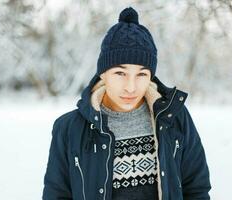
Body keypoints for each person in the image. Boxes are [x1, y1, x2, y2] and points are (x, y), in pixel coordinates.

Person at [42, 7, 211, 200]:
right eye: (120, 73)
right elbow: (56, 195)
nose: (131, 87)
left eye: (141, 74)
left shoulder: (175, 118)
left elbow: (197, 189)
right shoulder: (69, 128)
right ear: (103, 74)